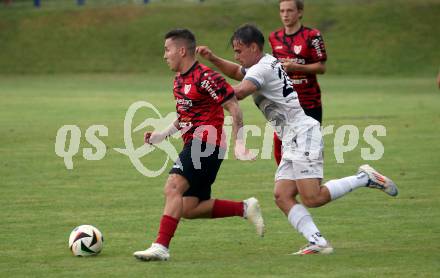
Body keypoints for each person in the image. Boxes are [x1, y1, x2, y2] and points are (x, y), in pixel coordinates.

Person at [197, 24, 398, 255]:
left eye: (239, 51)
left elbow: (240, 92)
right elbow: (236, 72)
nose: (236, 56)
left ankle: (365, 178)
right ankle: (318, 242)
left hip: (302, 134)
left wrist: (206, 93)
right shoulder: (263, 62)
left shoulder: (261, 69)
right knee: (282, 196)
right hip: (292, 137)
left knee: (312, 197)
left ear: (253, 47)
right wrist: (213, 58)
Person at [133, 29, 265, 261]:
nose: (165, 55)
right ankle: (244, 208)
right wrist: (161, 135)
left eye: (167, 49)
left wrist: (240, 144)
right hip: (196, 144)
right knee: (189, 208)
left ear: (181, 50)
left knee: (172, 187)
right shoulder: (178, 81)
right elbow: (185, 117)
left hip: (206, 144)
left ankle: (161, 247)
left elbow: (234, 106)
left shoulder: (207, 77)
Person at [269, 0, 327, 165]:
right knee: (280, 143)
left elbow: (321, 67)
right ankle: (285, 181)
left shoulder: (312, 35)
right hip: (285, 101)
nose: (285, 15)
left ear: (300, 12)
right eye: (282, 11)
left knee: (308, 149)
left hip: (309, 102)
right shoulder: (275, 37)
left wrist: (296, 67)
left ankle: (311, 185)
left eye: (289, 11)